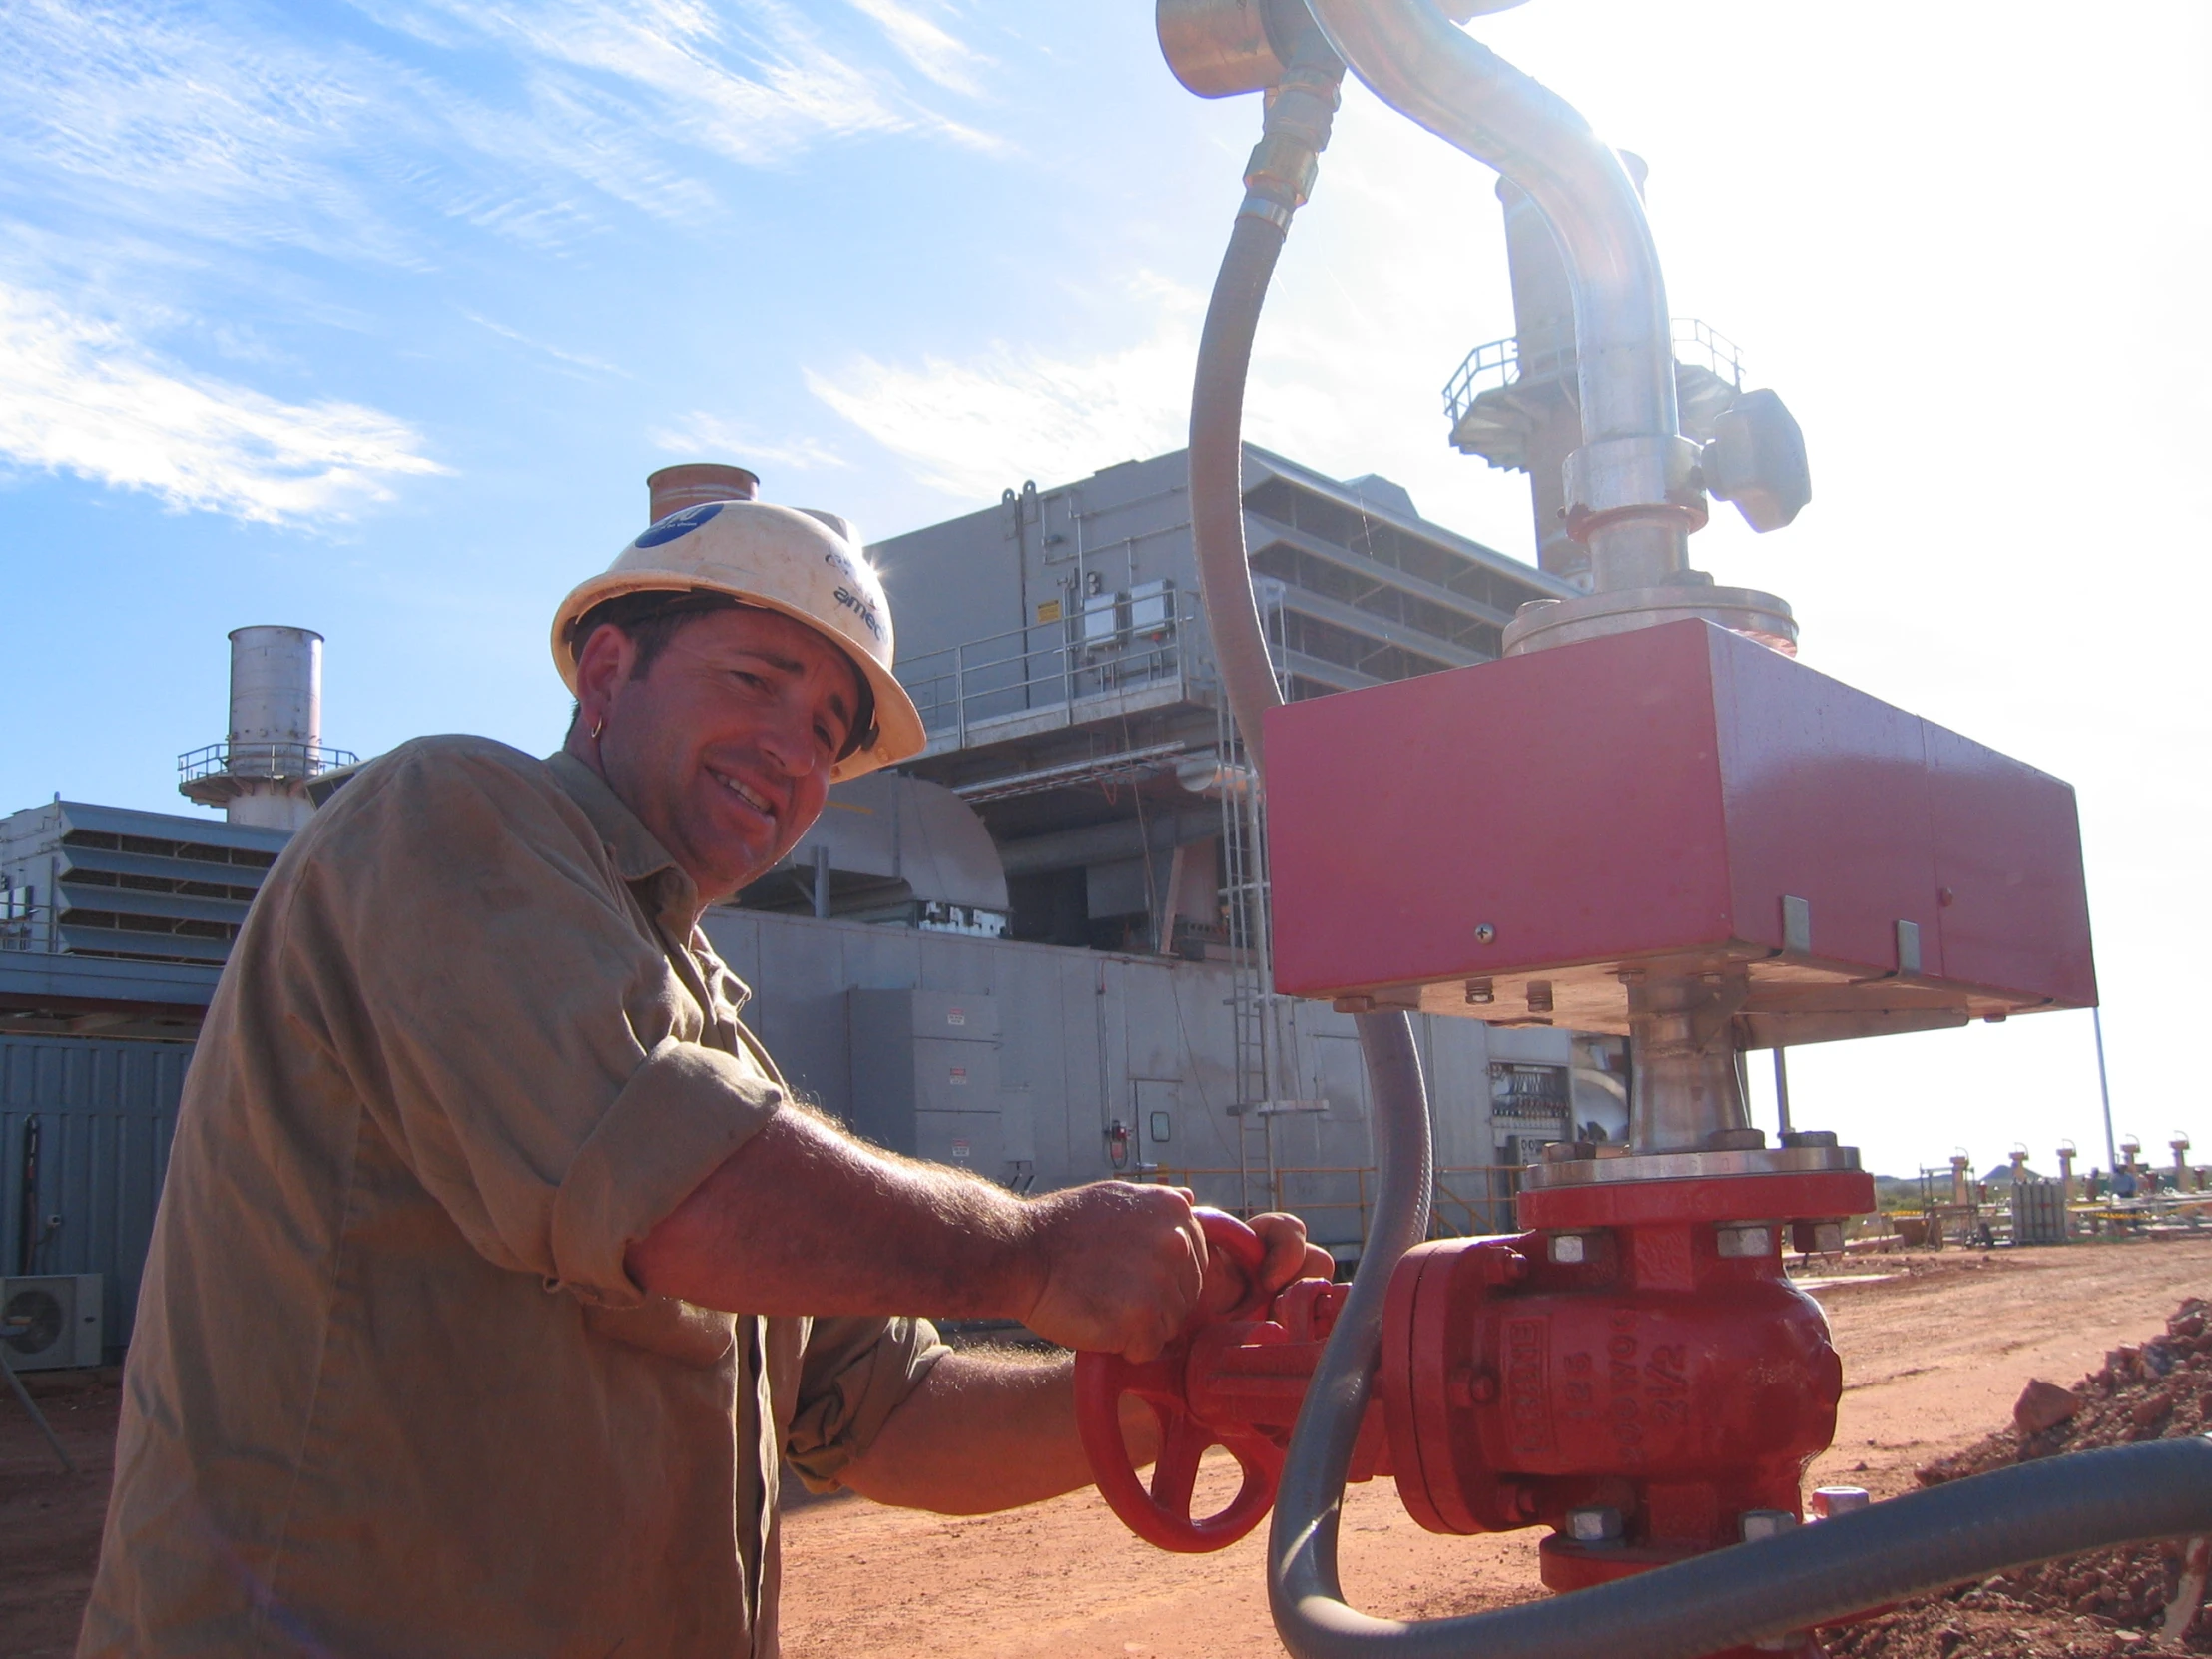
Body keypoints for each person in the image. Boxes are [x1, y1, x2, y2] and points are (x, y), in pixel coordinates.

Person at [80, 497, 1328, 1657]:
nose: (793, 754)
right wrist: (1032, 1251)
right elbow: (673, 1190)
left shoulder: (708, 1034)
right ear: (608, 675)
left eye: (828, 737)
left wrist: (1183, 1388)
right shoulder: (444, 820)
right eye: (755, 681)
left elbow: (890, 1414)